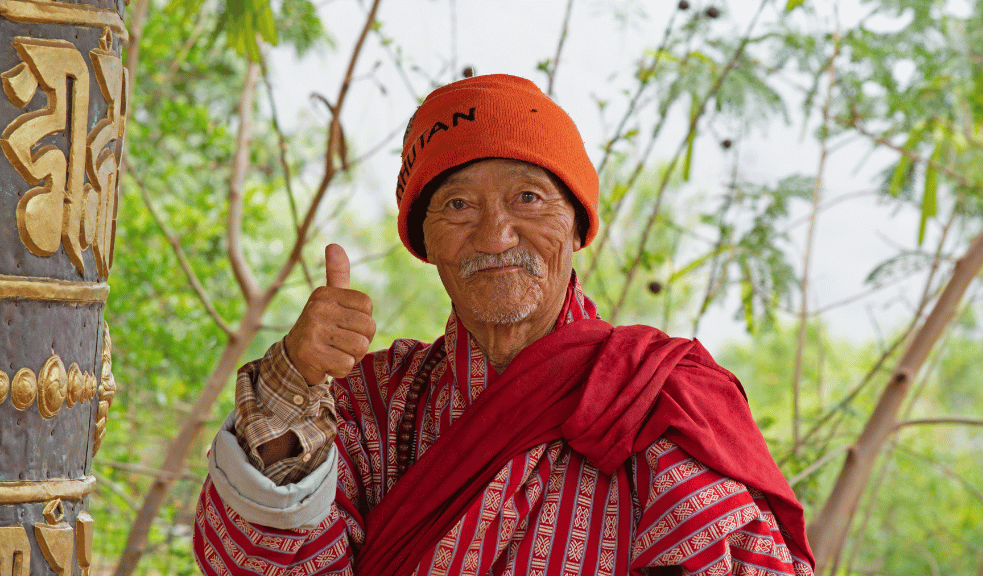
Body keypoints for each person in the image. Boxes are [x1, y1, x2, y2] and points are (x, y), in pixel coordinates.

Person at [193, 74, 815, 576]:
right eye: (458, 205)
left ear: (575, 226)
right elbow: (271, 564)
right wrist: (294, 383)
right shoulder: (374, 402)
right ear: (425, 241)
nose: (494, 235)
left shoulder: (658, 397)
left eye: (528, 198)